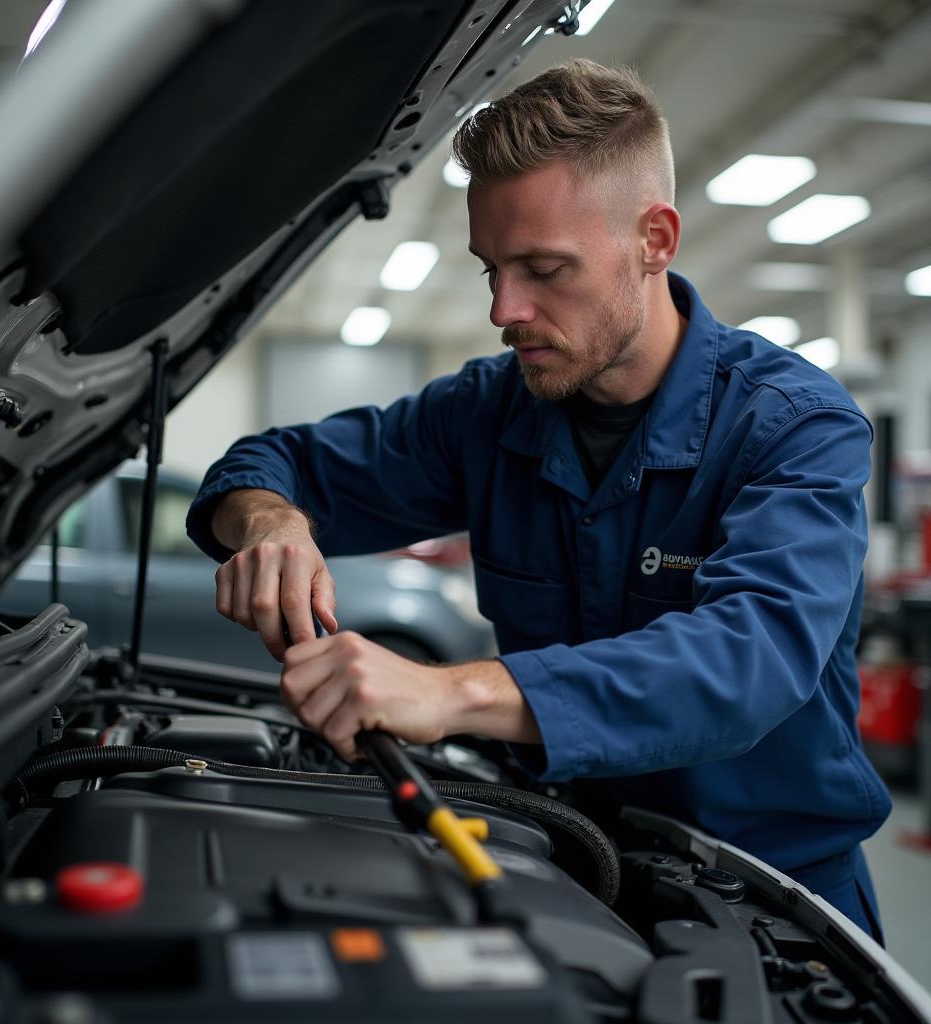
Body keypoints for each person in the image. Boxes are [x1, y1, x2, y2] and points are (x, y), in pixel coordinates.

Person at [186, 59, 890, 939]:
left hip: (773, 902)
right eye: (491, 269)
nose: (505, 309)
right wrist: (273, 523)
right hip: (570, 866)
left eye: (544, 268)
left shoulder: (794, 426)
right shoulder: (487, 412)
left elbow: (748, 660)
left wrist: (452, 694)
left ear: (655, 240)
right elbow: (269, 463)